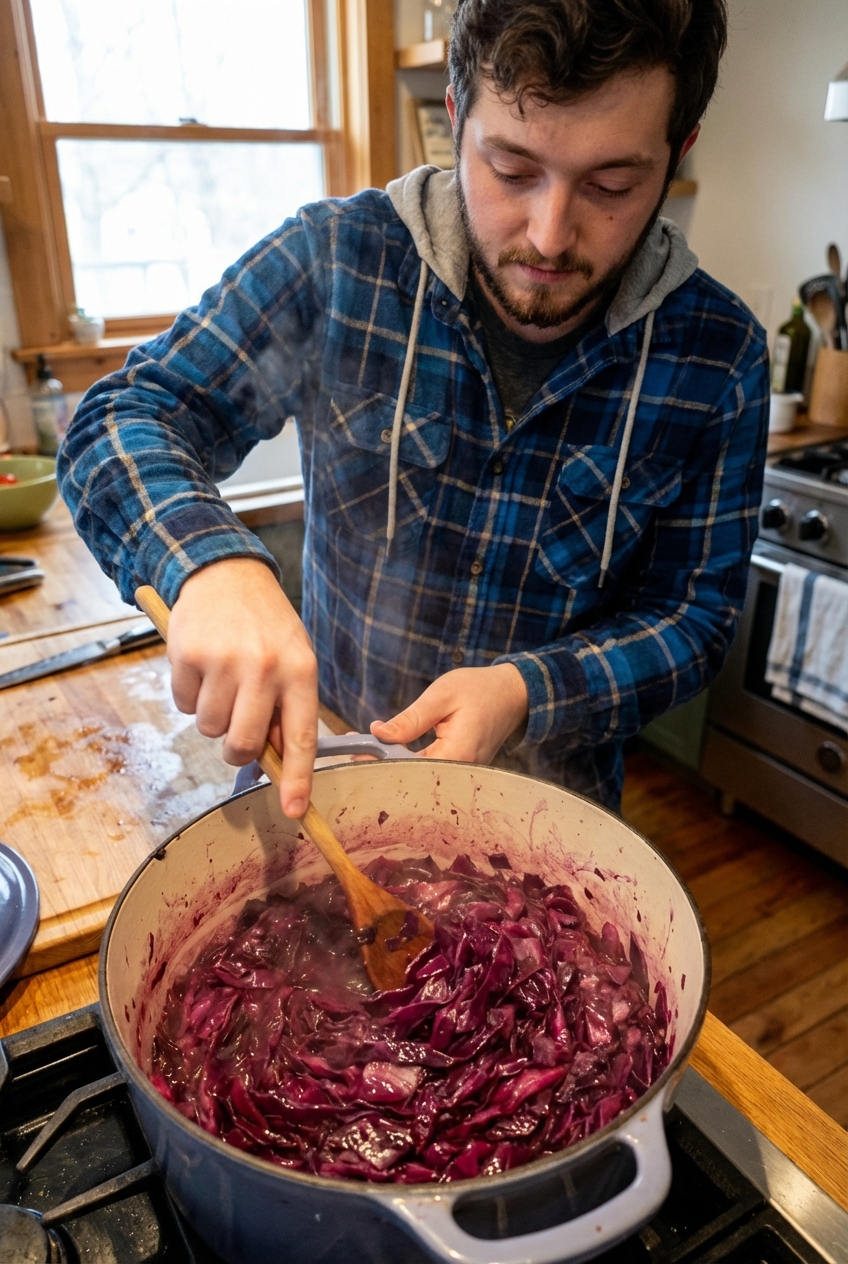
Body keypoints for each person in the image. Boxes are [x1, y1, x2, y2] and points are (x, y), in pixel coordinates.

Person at [59, 0, 768, 821]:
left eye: (612, 183)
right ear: (457, 115)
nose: (546, 234)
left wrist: (524, 690)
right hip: (320, 782)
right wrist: (210, 564)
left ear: (679, 150)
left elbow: (694, 617)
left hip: (543, 814)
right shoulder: (338, 258)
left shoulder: (719, 358)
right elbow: (126, 412)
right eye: (510, 170)